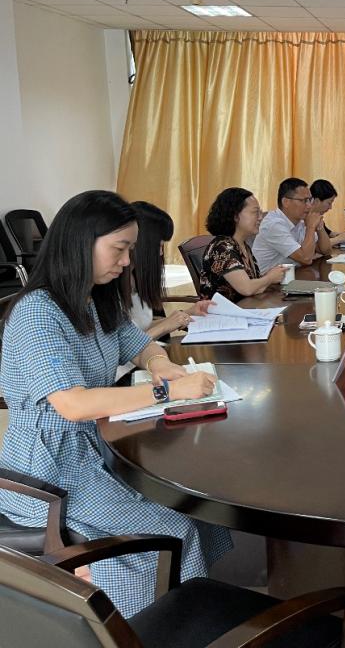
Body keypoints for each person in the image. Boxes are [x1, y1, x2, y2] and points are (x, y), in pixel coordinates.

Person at [0, 190, 232, 617]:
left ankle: (186, 600)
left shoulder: (95, 297)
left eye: (130, 250)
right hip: (52, 471)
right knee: (172, 525)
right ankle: (149, 622)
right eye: (119, 249)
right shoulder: (38, 313)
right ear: (80, 242)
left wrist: (160, 364)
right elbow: (72, 404)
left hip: (99, 445)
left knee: (195, 502)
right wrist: (168, 392)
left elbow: (139, 344)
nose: (127, 261)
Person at [129, 201, 210, 338]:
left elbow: (141, 328)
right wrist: (166, 325)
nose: (161, 253)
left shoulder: (136, 277)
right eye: (158, 246)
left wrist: (187, 313)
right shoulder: (113, 284)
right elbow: (125, 345)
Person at [199, 187, 287, 302]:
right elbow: (246, 288)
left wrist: (271, 277)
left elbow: (255, 287)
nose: (260, 217)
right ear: (235, 216)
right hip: (224, 312)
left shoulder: (242, 245)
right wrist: (270, 278)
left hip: (246, 307)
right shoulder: (222, 248)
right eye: (255, 212)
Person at [251, 177, 332, 272]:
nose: (309, 206)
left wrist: (319, 226)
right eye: (304, 200)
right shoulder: (274, 224)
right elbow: (306, 258)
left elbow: (326, 251)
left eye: (310, 200)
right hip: (267, 279)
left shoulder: (301, 221)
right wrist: (311, 227)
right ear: (286, 202)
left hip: (291, 274)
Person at [310, 179, 345, 245]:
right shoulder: (304, 219)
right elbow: (315, 246)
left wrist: (342, 235)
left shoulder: (317, 216)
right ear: (317, 201)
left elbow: (329, 233)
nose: (330, 207)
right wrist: (338, 239)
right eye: (329, 203)